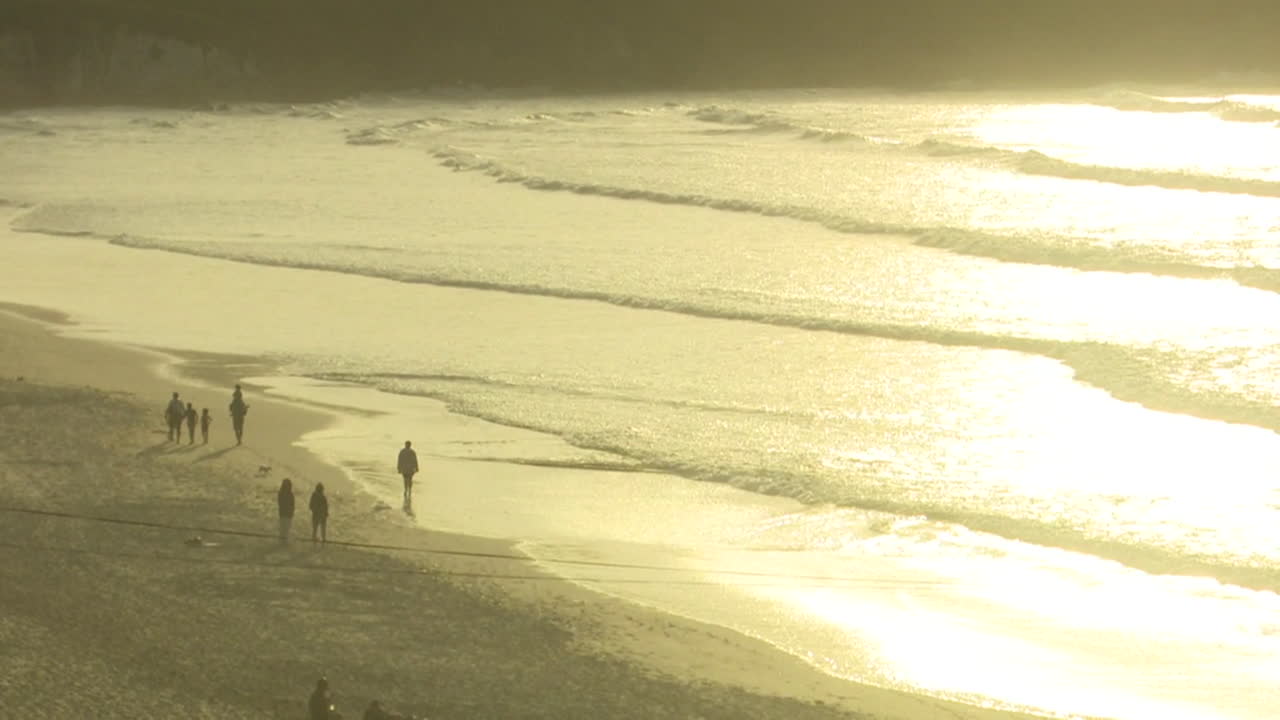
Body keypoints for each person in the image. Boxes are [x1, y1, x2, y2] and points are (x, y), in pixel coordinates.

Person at [277, 478, 295, 544]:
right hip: (283, 512)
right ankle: (282, 540)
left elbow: (292, 504)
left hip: (288, 513)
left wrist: (291, 511)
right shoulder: (281, 493)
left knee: (287, 527)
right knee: (282, 526)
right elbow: (280, 502)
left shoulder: (290, 494)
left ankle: (284, 540)